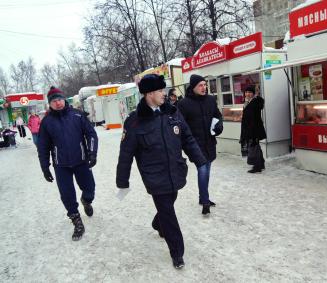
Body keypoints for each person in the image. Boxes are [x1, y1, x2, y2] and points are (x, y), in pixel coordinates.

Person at [116, 74, 206, 269]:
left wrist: (199, 160)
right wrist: (122, 182)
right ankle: (177, 253)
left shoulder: (173, 113)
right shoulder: (134, 121)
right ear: (148, 93)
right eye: (159, 90)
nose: (164, 94)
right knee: (168, 212)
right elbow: (126, 154)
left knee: (168, 204)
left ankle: (158, 223)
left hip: (175, 170)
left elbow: (187, 138)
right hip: (154, 176)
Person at [37, 86, 98, 241]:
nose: (58, 103)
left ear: (64, 99)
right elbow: (43, 147)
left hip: (81, 161)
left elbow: (91, 134)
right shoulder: (46, 122)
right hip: (61, 165)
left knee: (89, 188)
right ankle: (76, 220)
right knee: (67, 194)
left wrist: (92, 153)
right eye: (54, 101)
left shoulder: (77, 115)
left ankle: (86, 200)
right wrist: (45, 167)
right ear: (50, 104)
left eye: (59, 99)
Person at [177, 74, 223, 215]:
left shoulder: (210, 100)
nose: (204, 87)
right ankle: (205, 201)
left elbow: (217, 115)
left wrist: (219, 126)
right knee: (203, 169)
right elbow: (180, 125)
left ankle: (203, 196)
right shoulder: (184, 104)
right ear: (193, 87)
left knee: (206, 169)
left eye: (205, 84)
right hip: (194, 144)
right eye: (201, 85)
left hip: (209, 141)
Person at [240, 85, 267, 173]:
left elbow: (260, 104)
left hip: (254, 129)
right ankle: (261, 164)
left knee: (253, 147)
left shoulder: (256, 101)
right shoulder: (247, 102)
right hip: (248, 128)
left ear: (253, 94)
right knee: (256, 147)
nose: (247, 94)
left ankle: (257, 167)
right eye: (246, 92)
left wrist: (257, 95)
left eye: (250, 92)